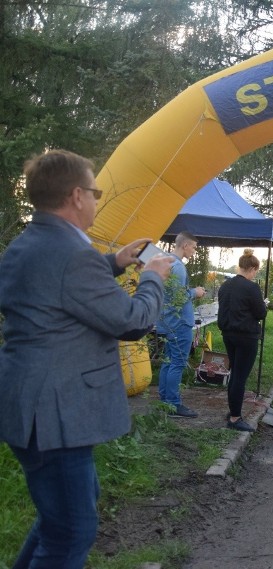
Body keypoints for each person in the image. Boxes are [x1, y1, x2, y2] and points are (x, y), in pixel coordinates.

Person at [0, 149, 172, 568]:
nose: (97, 200)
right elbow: (132, 322)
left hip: (31, 405)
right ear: (77, 196)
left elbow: (55, 285)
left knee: (58, 523)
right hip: (56, 413)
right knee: (71, 531)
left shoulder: (30, 243)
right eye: (94, 192)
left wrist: (112, 263)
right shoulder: (71, 255)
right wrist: (152, 279)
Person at [217, 249, 267, 432]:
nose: (255, 275)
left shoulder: (225, 286)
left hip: (228, 334)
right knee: (240, 377)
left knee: (234, 373)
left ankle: (232, 409)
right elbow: (261, 313)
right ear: (252, 268)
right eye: (256, 271)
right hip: (246, 336)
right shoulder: (251, 287)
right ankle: (235, 418)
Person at [156, 230, 205, 418]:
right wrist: (195, 292)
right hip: (179, 323)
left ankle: (165, 402)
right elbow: (178, 298)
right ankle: (174, 405)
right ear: (185, 245)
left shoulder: (165, 262)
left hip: (166, 321)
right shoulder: (177, 266)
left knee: (168, 363)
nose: (194, 251)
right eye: (193, 247)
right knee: (177, 363)